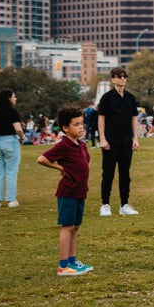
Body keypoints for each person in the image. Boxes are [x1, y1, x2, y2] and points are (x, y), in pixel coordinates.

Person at [37, 104, 93, 277]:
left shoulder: (82, 145)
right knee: (67, 227)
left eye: (81, 123)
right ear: (65, 128)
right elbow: (42, 159)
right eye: (76, 124)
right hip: (67, 192)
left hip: (80, 191)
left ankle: (72, 260)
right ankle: (63, 265)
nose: (80, 127)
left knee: (75, 227)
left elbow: (87, 162)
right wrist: (60, 167)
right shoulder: (63, 145)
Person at [97, 66, 140, 216]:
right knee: (108, 173)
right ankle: (105, 204)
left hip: (126, 140)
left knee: (125, 174)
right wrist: (102, 139)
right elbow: (101, 118)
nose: (122, 78)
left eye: (124, 76)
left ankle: (124, 205)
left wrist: (135, 138)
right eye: (119, 76)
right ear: (113, 79)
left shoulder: (130, 98)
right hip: (110, 140)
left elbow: (134, 118)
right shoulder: (107, 98)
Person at [0, 89, 25, 208]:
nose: (15, 99)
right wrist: (21, 138)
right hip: (10, 141)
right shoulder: (12, 112)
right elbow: (18, 128)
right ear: (9, 98)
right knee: (11, 171)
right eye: (14, 96)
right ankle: (11, 199)